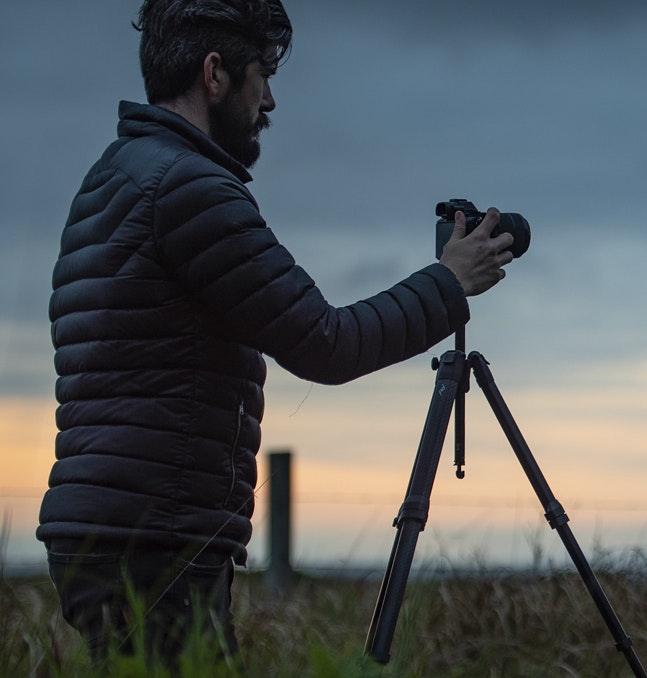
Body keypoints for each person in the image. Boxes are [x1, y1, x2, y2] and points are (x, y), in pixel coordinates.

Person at [37, 0, 514, 666]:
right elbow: (326, 342)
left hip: (112, 531)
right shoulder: (189, 188)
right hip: (155, 539)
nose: (270, 101)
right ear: (215, 74)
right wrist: (447, 283)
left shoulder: (113, 177)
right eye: (263, 74)